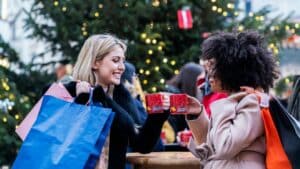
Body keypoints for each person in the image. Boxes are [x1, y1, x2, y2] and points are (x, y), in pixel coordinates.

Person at [61, 34, 169, 169]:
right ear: (95, 62)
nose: (122, 67)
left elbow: (142, 145)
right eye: (116, 60)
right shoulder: (68, 91)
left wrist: (158, 115)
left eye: (123, 61)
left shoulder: (120, 95)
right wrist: (82, 101)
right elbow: (65, 143)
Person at [184, 31, 279, 169]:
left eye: (215, 70)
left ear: (231, 72)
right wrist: (197, 114)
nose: (209, 77)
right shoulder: (237, 102)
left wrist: (227, 102)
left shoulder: (251, 103)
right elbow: (214, 144)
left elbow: (225, 146)